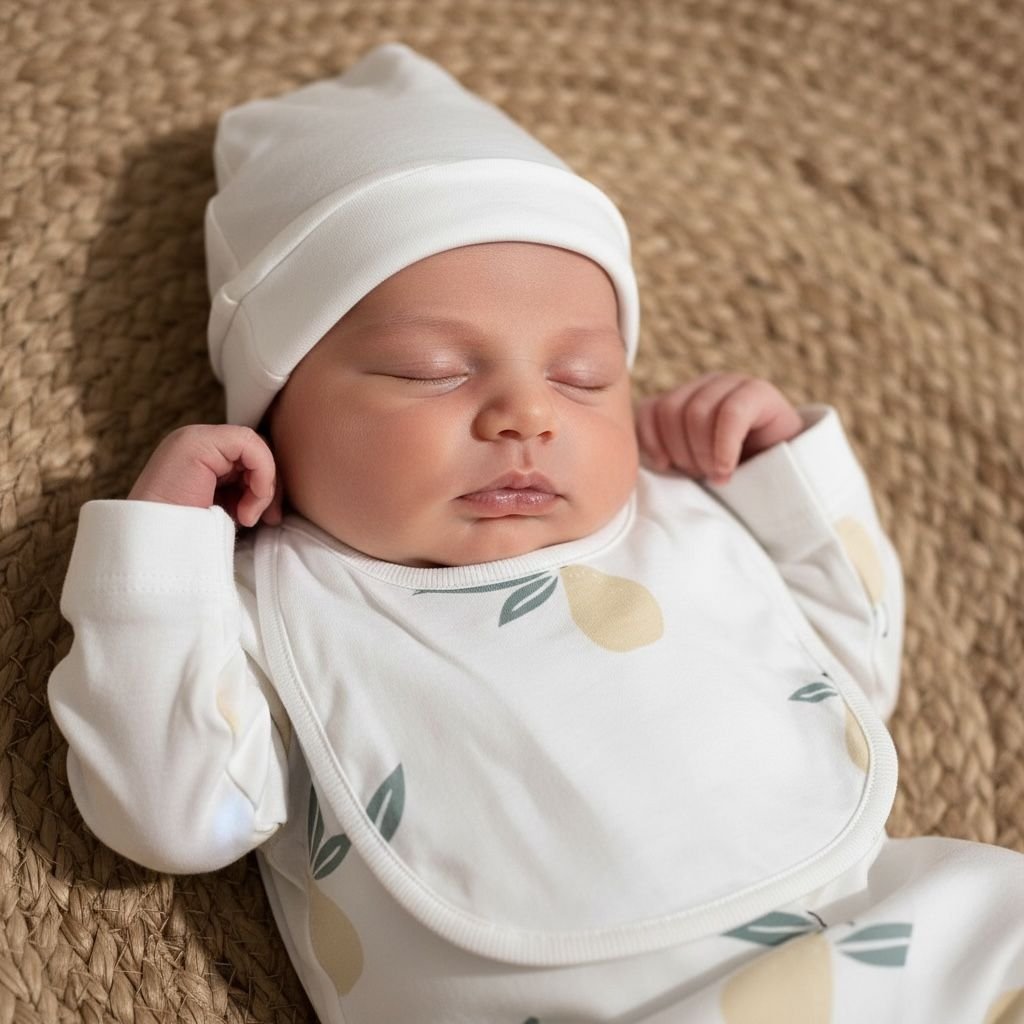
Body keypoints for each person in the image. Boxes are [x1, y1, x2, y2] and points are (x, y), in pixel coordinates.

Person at [48, 42, 1024, 1024]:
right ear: (271, 413)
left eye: (582, 377)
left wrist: (783, 473)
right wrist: (161, 556)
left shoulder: (678, 520)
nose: (529, 413)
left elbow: (856, 673)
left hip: (884, 946)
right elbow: (174, 819)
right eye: (430, 370)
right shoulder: (269, 610)